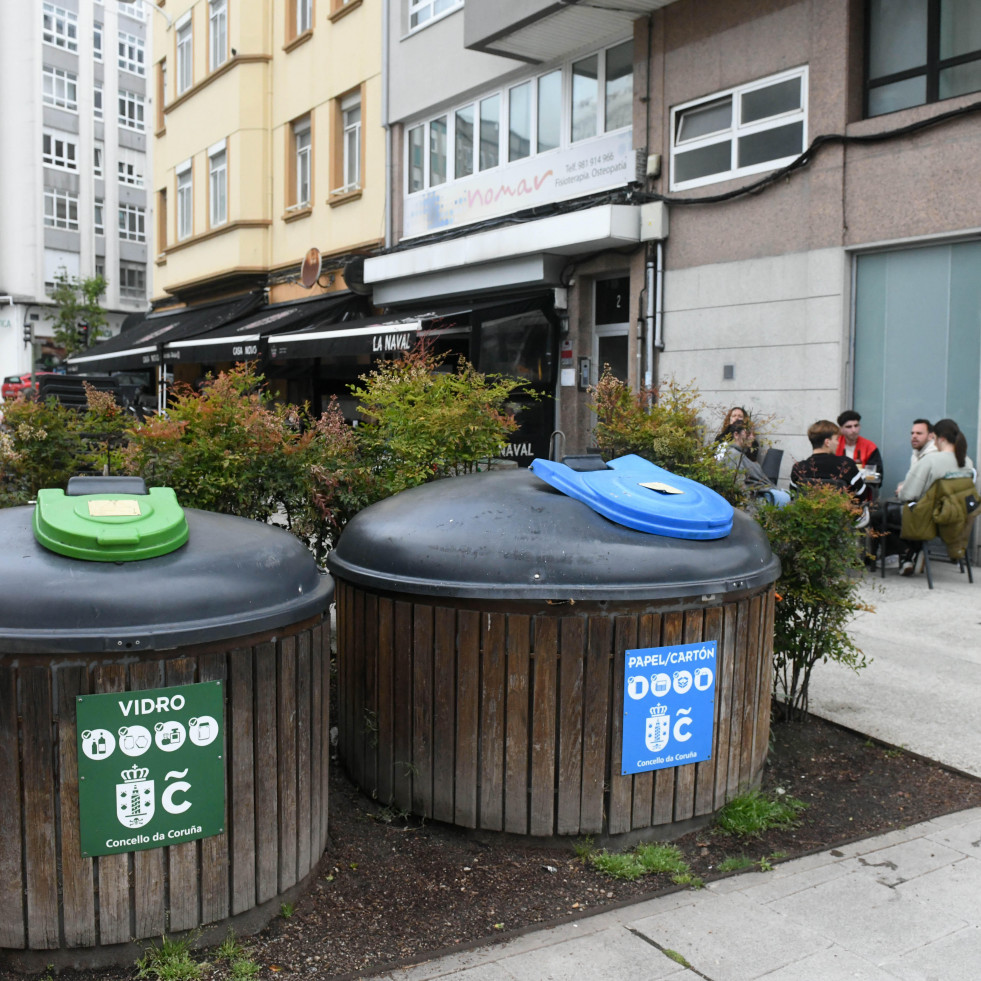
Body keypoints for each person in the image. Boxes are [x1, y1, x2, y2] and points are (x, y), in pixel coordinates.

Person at [896, 418, 976, 575]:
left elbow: (908, 494)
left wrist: (901, 492)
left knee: (884, 516)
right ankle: (914, 554)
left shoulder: (930, 461)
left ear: (941, 439)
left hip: (930, 521)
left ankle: (908, 555)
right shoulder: (968, 462)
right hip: (957, 518)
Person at [791, 419, 870, 505]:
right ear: (827, 442)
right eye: (836, 439)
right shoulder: (846, 465)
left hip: (808, 517)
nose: (838, 443)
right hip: (841, 517)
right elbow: (861, 495)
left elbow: (793, 496)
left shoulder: (798, 468)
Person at [716, 421, 790, 505]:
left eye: (753, 434)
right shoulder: (733, 455)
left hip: (766, 495)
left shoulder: (743, 454)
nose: (752, 437)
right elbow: (738, 485)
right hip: (757, 500)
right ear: (736, 435)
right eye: (748, 433)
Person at [835, 410, 883, 479]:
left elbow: (877, 475)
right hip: (839, 486)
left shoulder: (870, 447)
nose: (854, 430)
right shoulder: (834, 445)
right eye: (849, 427)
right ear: (841, 429)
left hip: (863, 486)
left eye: (856, 425)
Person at [896, 418, 936, 498]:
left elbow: (923, 488)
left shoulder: (934, 456)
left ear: (930, 436)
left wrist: (903, 489)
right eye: (912, 433)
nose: (914, 436)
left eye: (919, 433)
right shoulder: (916, 454)